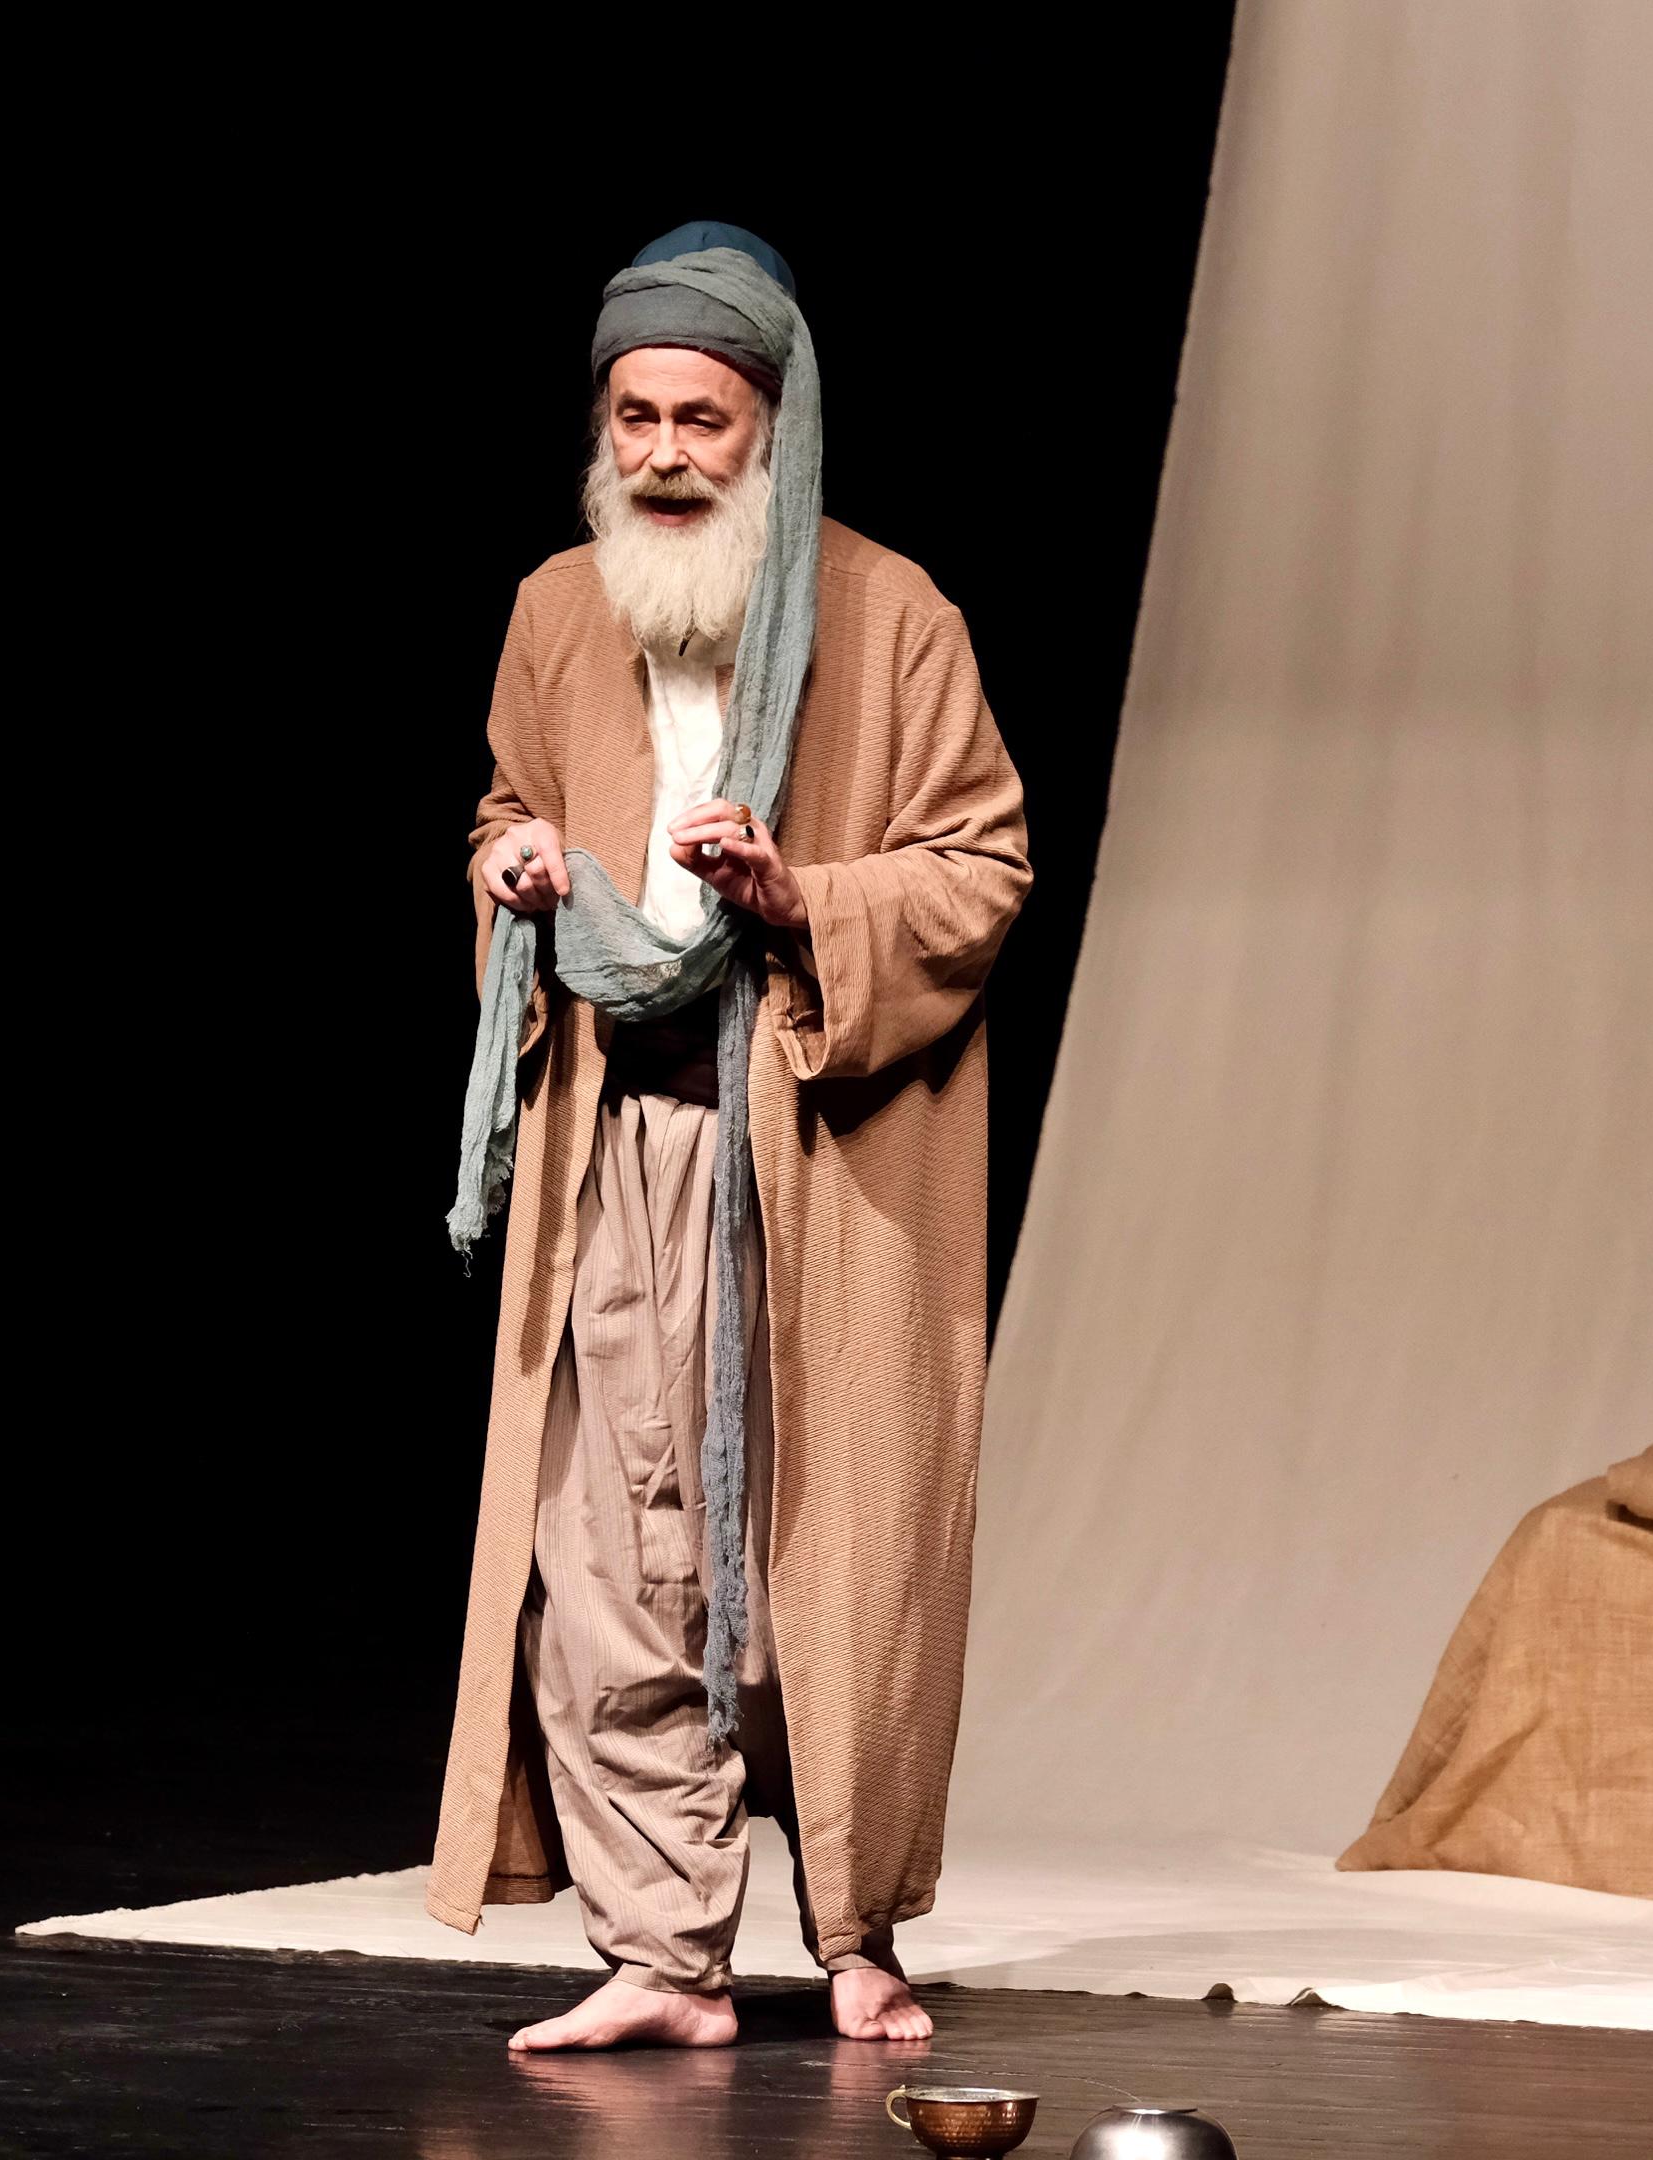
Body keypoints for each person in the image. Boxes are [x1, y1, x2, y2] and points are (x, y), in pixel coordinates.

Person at [426, 222, 1030, 2051]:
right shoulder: (558, 609)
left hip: (814, 1158)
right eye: (637, 419)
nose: (667, 454)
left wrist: (797, 898)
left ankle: (856, 1930)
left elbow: (981, 869)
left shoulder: (894, 614)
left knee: (830, 1559)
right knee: (609, 1555)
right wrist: (516, 869)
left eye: (704, 419)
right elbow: (507, 804)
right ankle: (661, 1953)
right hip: (616, 1139)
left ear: (777, 426)